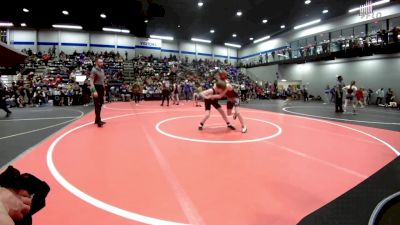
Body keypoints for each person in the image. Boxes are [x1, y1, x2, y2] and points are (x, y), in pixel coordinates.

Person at [90, 58, 106, 127]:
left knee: (100, 104)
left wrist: (104, 89)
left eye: (102, 62)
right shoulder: (94, 70)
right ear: (96, 63)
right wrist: (94, 91)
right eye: (100, 62)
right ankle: (99, 121)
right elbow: (91, 81)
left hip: (101, 88)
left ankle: (97, 120)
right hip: (96, 88)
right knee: (97, 105)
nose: (101, 63)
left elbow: (102, 81)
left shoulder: (102, 70)